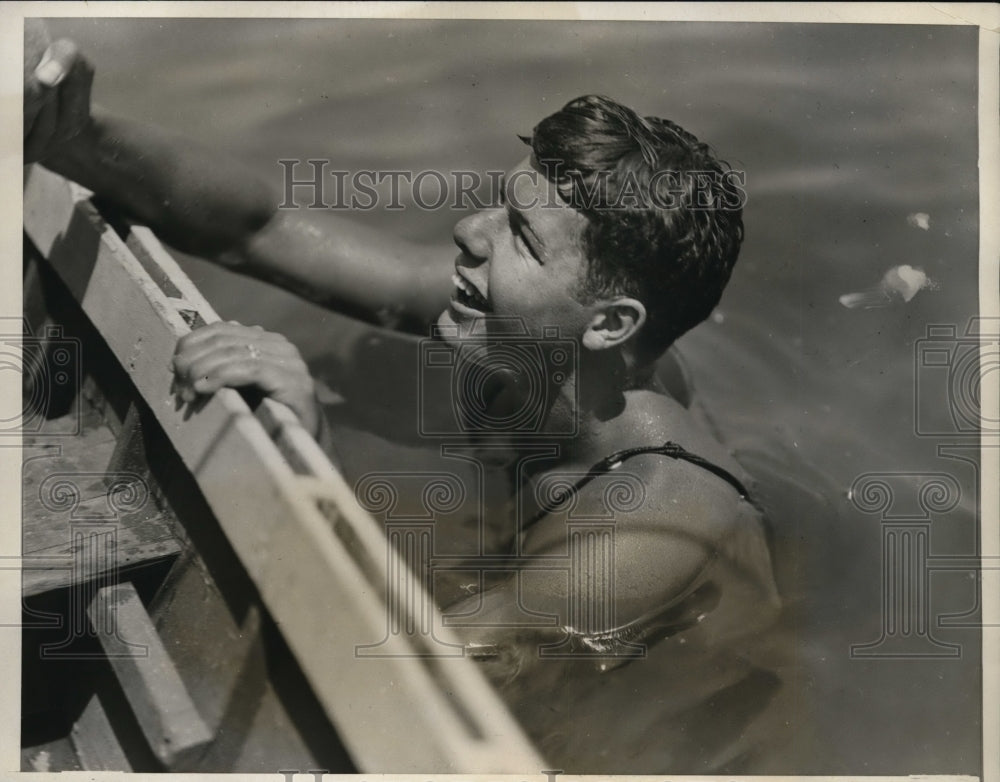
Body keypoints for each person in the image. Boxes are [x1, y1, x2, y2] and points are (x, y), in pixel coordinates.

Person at [25, 29, 781, 768]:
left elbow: (394, 684)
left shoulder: (646, 541)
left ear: (611, 324)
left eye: (521, 236)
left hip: (669, 711)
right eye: (498, 204)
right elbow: (265, 228)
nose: (467, 231)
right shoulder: (542, 338)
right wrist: (74, 137)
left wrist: (310, 460)